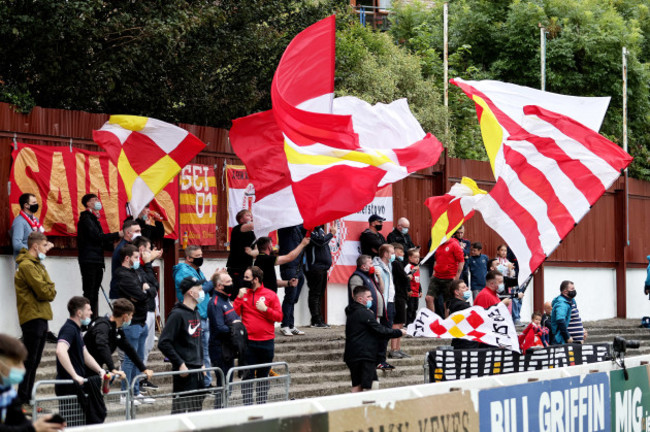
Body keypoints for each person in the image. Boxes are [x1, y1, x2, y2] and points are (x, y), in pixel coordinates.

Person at [83, 298, 154, 405]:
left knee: (96, 409)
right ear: (125, 317)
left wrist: (143, 369)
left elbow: (129, 350)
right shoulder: (103, 326)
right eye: (131, 316)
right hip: (82, 370)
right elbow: (102, 345)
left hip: (95, 371)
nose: (132, 318)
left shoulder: (117, 330)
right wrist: (112, 368)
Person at [14, 231, 56, 408]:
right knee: (29, 361)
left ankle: (27, 399)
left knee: (35, 361)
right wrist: (50, 289)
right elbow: (44, 290)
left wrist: (49, 288)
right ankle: (21, 400)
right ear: (35, 246)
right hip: (32, 316)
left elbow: (49, 288)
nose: (47, 250)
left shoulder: (37, 264)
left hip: (41, 315)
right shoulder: (27, 265)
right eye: (45, 246)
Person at [233, 266, 282, 405]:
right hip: (248, 343)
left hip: (266, 343)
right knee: (247, 376)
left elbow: (279, 317)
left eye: (247, 278)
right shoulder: (244, 294)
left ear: (256, 279)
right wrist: (238, 298)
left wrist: (266, 309)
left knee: (262, 376)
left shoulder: (270, 295)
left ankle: (261, 406)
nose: (244, 280)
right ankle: (248, 407)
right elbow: (233, 315)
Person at [114, 245, 157, 403]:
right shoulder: (122, 274)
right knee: (129, 359)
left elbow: (153, 289)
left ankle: (136, 391)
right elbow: (142, 295)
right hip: (130, 324)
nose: (138, 260)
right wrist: (144, 291)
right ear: (127, 258)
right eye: (135, 257)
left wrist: (146, 291)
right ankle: (125, 393)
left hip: (142, 321)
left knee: (139, 358)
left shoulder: (137, 271)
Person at [55, 297, 108, 426]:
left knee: (81, 424)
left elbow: (85, 354)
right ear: (79, 313)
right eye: (88, 310)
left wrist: (100, 370)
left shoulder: (76, 329)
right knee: (74, 426)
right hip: (69, 387)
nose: (91, 313)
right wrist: (74, 375)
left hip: (77, 386)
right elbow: (60, 351)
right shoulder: (69, 329)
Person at [344, 286, 406, 393]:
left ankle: (355, 406)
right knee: (371, 385)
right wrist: (399, 332)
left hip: (353, 355)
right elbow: (380, 330)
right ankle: (366, 407)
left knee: (358, 384)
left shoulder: (353, 312)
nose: (371, 299)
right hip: (363, 355)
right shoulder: (364, 313)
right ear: (360, 299)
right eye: (368, 297)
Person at [158, 277, 206, 414]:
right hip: (185, 372)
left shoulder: (196, 312)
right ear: (191, 293)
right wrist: (180, 363)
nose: (202, 292)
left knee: (196, 411)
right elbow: (163, 342)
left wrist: (201, 362)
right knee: (180, 411)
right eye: (200, 289)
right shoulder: (177, 314)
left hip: (198, 370)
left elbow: (198, 340)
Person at [0, 333, 67, 431]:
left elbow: (19, 421)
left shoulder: (8, 391)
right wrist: (33, 428)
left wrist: (42, 424)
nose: (22, 368)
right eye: (16, 363)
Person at [246, 236, 309, 336]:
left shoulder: (261, 260)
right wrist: (302, 244)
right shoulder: (266, 259)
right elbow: (289, 257)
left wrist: (288, 283)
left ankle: (289, 326)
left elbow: (272, 282)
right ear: (269, 247)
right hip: (264, 300)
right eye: (271, 244)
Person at [173, 245, 215, 388]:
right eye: (198, 256)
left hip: (202, 315)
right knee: (199, 353)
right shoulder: (183, 271)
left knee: (206, 353)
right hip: (192, 317)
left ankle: (206, 382)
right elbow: (198, 290)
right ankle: (203, 382)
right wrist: (212, 282)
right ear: (189, 258)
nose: (201, 258)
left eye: (201, 255)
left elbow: (205, 288)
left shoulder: (197, 270)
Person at [77, 193, 123, 319]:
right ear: (88, 203)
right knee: (89, 292)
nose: (98, 201)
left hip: (97, 260)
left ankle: (92, 318)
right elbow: (96, 237)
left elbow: (100, 241)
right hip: (89, 260)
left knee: (95, 292)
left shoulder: (94, 219)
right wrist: (117, 234)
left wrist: (114, 246)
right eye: (95, 199)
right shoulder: (86, 219)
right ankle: (85, 320)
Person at [132, 236, 162, 391]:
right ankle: (137, 380)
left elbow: (153, 286)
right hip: (142, 312)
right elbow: (153, 285)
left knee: (149, 346)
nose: (152, 252)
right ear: (142, 249)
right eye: (149, 248)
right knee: (140, 348)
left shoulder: (145, 266)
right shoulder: (138, 266)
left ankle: (141, 376)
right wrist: (149, 263)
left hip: (151, 309)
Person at [207, 272, 240, 390]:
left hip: (229, 347)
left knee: (228, 385)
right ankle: (220, 408)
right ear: (219, 286)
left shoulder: (227, 299)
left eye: (231, 281)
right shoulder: (215, 302)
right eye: (228, 282)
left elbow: (236, 319)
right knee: (223, 385)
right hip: (219, 349)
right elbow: (219, 327)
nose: (231, 284)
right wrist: (235, 328)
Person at [304, 224, 336, 328]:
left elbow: (323, 241)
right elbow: (320, 242)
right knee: (315, 294)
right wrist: (331, 234)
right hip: (315, 267)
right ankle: (316, 320)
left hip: (323, 268)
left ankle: (319, 320)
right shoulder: (308, 229)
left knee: (320, 294)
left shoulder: (320, 229)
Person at [426, 232, 464, 316]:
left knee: (446, 303)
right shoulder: (438, 245)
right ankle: (431, 320)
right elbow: (436, 260)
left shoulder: (454, 244)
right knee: (428, 298)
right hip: (437, 276)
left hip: (449, 277)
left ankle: (447, 323)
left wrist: (456, 277)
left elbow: (461, 261)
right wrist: (434, 273)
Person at [278, 225, 306, 337]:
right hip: (289, 267)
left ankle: (291, 325)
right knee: (290, 296)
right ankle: (284, 325)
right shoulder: (285, 227)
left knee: (294, 298)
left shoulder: (298, 229)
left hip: (299, 267)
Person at [372, 244, 397, 369]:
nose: (394, 255)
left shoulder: (388, 266)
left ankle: (381, 359)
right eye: (392, 252)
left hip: (390, 301)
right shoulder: (378, 268)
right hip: (385, 304)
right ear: (386, 254)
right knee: (384, 332)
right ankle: (380, 359)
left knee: (386, 332)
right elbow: (379, 289)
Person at [109, 219, 142, 299]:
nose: (139, 234)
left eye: (140, 231)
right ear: (128, 233)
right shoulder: (123, 249)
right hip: (121, 295)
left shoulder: (130, 246)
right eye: (136, 231)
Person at [389, 243, 410, 359]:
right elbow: (404, 278)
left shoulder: (398, 263)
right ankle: (393, 349)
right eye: (401, 252)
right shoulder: (396, 263)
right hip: (398, 296)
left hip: (401, 295)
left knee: (401, 322)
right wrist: (409, 277)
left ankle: (398, 348)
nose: (403, 254)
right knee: (397, 323)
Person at [226, 209, 256, 291]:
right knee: (237, 291)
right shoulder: (238, 228)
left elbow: (256, 250)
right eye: (247, 215)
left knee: (247, 291)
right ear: (241, 220)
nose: (250, 217)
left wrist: (252, 252)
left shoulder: (252, 233)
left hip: (247, 267)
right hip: (236, 266)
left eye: (251, 215)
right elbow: (254, 225)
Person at [445, 280, 479, 349]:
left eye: (466, 286)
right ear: (456, 292)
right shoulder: (460, 306)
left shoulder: (452, 304)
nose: (467, 289)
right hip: (466, 344)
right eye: (463, 287)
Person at [10, 193, 44, 260]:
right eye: (34, 202)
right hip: (24, 262)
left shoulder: (35, 220)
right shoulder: (19, 221)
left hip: (35, 260)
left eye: (36, 202)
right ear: (26, 205)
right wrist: (33, 250)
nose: (36, 204)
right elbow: (17, 244)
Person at [550, 280, 577, 345]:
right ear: (565, 292)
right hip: (562, 339)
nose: (574, 291)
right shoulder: (562, 303)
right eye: (572, 289)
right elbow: (560, 320)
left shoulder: (571, 301)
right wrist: (567, 337)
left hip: (573, 338)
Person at [404, 248, 421, 325]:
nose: (417, 259)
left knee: (415, 308)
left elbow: (418, 280)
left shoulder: (417, 268)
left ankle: (413, 323)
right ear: (410, 258)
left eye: (418, 257)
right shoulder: (408, 267)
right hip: (411, 292)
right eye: (415, 257)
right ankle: (408, 324)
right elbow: (406, 278)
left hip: (416, 292)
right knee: (410, 308)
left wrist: (420, 290)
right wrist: (408, 289)